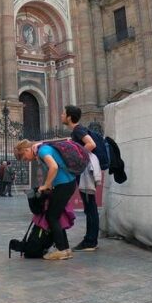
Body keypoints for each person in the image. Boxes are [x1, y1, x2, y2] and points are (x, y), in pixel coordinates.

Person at [14, 138, 76, 260]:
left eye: (25, 158)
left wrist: (46, 185)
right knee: (55, 216)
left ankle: (61, 250)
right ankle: (65, 248)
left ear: (27, 150)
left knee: (51, 216)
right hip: (65, 184)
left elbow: (54, 167)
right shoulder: (41, 150)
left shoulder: (43, 150)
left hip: (65, 184)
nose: (27, 161)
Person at [62, 105, 100, 252]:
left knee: (90, 206)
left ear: (69, 117)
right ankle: (90, 239)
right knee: (90, 206)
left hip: (85, 173)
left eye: (63, 113)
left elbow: (91, 144)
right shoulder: (76, 131)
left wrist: (78, 156)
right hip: (84, 172)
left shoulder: (78, 130)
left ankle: (91, 241)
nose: (61, 115)